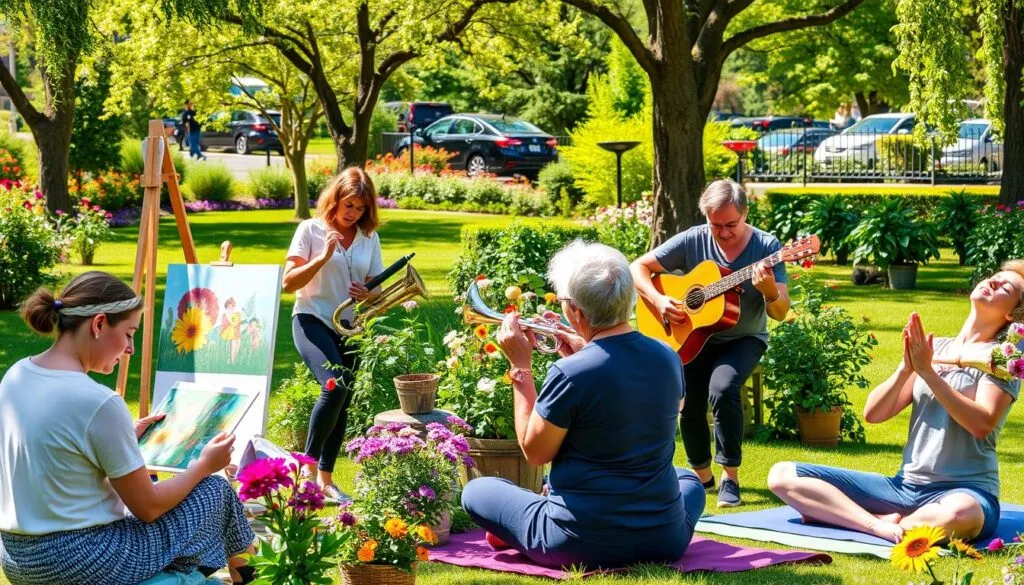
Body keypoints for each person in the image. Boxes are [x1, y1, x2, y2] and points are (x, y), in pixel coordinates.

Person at [461, 241, 706, 569]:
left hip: (576, 542)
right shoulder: (667, 355)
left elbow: (535, 453)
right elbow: (673, 406)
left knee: (477, 491)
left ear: (575, 310)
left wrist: (520, 368)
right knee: (688, 481)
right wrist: (585, 352)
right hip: (664, 539)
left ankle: (522, 525)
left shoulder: (570, 372)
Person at [0, 272, 256, 585]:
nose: (130, 349)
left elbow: (53, 459)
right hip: (82, 560)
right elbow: (148, 507)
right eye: (129, 334)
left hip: (18, 558)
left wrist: (123, 438)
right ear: (99, 324)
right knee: (215, 492)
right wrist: (203, 465)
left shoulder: (17, 375)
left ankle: (181, 576)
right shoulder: (98, 401)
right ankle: (249, 579)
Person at [768, 261, 1024, 544]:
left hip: (964, 491)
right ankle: (876, 524)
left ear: (1012, 314)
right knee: (782, 475)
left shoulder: (1004, 359)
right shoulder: (933, 347)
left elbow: (982, 424)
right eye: (994, 277)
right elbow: (874, 414)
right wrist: (906, 369)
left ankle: (850, 517)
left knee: (962, 515)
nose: (993, 282)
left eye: (1006, 286)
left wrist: (928, 373)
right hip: (903, 487)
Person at [631, 179, 789, 508]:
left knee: (723, 388)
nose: (723, 233)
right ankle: (701, 477)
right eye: (715, 225)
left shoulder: (767, 246)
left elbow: (780, 312)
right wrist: (659, 300)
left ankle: (730, 477)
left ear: (745, 213)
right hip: (693, 336)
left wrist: (770, 291)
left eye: (731, 224)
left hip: (743, 337)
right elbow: (638, 267)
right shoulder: (694, 239)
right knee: (687, 402)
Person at [283, 167, 384, 503]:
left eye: (361, 208)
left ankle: (326, 481)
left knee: (343, 400)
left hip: (351, 327)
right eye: (348, 204)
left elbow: (376, 287)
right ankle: (306, 472)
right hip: (311, 319)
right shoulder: (310, 229)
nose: (353, 213)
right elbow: (289, 283)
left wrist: (368, 293)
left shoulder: (369, 237)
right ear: (335, 198)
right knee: (334, 386)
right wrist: (323, 257)